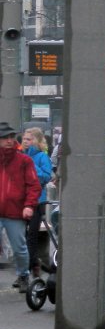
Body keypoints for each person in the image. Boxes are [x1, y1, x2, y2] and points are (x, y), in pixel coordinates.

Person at [0, 121, 42, 292]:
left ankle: (23, 274)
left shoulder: (24, 160)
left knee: (19, 248)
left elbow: (34, 185)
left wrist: (29, 205)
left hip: (15, 211)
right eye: (5, 138)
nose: (9, 140)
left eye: (11, 137)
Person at [21, 127, 53, 278]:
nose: (26, 142)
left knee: (31, 236)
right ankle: (26, 268)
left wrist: (30, 164)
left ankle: (31, 267)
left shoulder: (41, 156)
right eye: (24, 139)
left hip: (36, 201)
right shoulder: (20, 155)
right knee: (21, 236)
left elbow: (46, 177)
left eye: (29, 139)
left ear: (37, 141)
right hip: (20, 200)